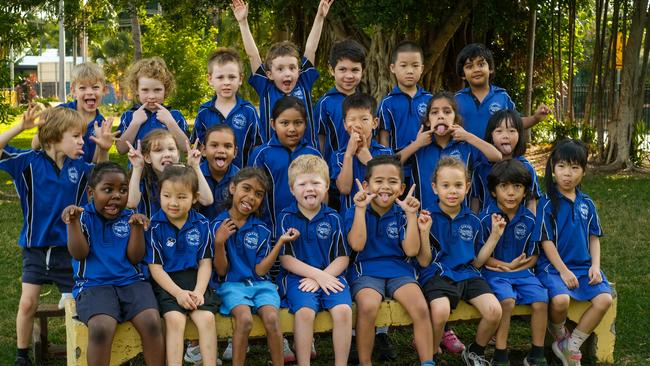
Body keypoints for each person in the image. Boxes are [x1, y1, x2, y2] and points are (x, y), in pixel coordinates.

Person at [0, 106, 113, 366]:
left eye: (82, 136)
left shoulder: (80, 167)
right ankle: (21, 356)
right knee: (27, 304)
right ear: (53, 138)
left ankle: (81, 354)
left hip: (69, 251)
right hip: (35, 249)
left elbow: (103, 178)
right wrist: (20, 128)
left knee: (77, 307)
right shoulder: (27, 162)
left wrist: (105, 148)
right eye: (75, 136)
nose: (81, 141)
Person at [62, 162, 165, 366]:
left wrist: (136, 229)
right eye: (108, 190)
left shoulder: (129, 217)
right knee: (101, 327)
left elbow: (135, 258)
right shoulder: (82, 217)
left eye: (123, 190)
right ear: (91, 193)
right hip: (94, 285)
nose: (117, 195)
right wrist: (72, 224)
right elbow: (79, 253)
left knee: (152, 322)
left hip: (131, 282)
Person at [346, 155, 435, 366]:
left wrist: (412, 215)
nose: (385, 187)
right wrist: (360, 209)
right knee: (368, 306)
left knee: (421, 308)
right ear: (366, 185)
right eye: (379, 181)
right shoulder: (355, 210)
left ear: (402, 188)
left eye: (393, 182)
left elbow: (412, 250)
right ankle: (365, 362)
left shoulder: (402, 213)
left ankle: (428, 362)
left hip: (399, 270)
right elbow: (357, 245)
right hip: (366, 270)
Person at [417, 156, 503, 366]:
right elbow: (424, 262)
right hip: (438, 274)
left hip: (468, 274)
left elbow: (477, 263)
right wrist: (423, 233)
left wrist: (494, 236)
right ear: (435, 188)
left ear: (467, 187)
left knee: (494, 311)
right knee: (440, 311)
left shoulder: (472, 220)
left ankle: (475, 351)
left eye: (458, 185)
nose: (452, 191)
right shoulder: (428, 216)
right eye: (445, 185)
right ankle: (432, 354)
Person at [534, 139, 613, 366]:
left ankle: (573, 344)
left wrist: (595, 266)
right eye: (562, 167)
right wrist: (564, 271)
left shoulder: (587, 203)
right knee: (560, 301)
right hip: (553, 268)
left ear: (584, 172)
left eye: (575, 167)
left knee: (604, 299)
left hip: (582, 266)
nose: (567, 174)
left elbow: (593, 237)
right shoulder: (547, 203)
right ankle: (560, 337)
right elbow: (546, 242)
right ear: (553, 169)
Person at [277, 155, 353, 366]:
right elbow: (286, 259)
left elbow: (343, 257)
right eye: (302, 184)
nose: (309, 189)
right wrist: (317, 276)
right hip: (299, 279)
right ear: (292, 189)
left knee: (344, 311)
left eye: (316, 183)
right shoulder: (286, 217)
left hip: (332, 275)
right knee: (304, 313)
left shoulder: (334, 217)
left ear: (327, 186)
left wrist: (323, 277)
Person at [212, 168, 290, 366]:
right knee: (245, 320)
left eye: (258, 194)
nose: (251, 197)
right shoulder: (217, 225)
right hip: (231, 285)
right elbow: (221, 271)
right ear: (232, 188)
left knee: (272, 318)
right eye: (246, 189)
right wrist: (219, 243)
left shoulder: (261, 229)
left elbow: (260, 271)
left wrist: (280, 243)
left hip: (260, 284)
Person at [146, 165, 219, 366]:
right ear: (159, 195)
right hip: (168, 285)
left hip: (196, 282)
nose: (173, 203)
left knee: (206, 320)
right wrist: (178, 293)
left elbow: (205, 262)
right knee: (175, 320)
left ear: (194, 198)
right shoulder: (154, 226)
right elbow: (155, 268)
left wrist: (199, 291)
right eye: (167, 196)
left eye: (181, 197)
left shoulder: (202, 223)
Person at [232, 0, 332, 145]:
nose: (287, 74)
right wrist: (243, 22)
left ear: (299, 71)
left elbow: (311, 49)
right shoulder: (265, 87)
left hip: (305, 156)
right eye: (280, 69)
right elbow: (253, 55)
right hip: (273, 155)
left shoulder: (303, 82)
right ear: (269, 74)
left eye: (292, 68)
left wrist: (320, 17)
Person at [479, 159, 548, 366]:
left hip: (523, 272)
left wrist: (518, 267)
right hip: (494, 272)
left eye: (517, 187)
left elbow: (534, 256)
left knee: (541, 299)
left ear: (525, 191)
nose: (511, 193)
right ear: (493, 191)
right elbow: (480, 258)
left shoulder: (529, 219)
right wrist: (505, 266)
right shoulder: (485, 219)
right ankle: (501, 353)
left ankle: (537, 352)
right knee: (507, 301)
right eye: (504, 187)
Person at [399, 91, 502, 211]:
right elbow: (393, 163)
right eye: (434, 112)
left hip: (460, 220)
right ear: (428, 121)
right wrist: (416, 145)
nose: (441, 116)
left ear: (455, 120)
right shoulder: (418, 146)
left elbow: (497, 156)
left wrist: (468, 136)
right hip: (423, 219)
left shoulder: (466, 146)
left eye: (447, 112)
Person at [249, 96, 322, 235]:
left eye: (298, 123)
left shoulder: (313, 154)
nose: (292, 129)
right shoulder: (262, 154)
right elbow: (252, 193)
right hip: (270, 231)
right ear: (273, 124)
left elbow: (322, 193)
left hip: (307, 233)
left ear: (306, 123)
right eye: (285, 123)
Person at [454, 43, 549, 140]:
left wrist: (535, 118)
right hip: (466, 154)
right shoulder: (457, 99)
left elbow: (515, 122)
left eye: (481, 64)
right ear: (463, 74)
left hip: (497, 154)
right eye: (469, 67)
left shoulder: (502, 96)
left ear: (490, 68)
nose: (476, 70)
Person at [191, 48, 261, 168]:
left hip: (242, 178)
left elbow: (259, 146)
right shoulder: (204, 111)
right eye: (220, 77)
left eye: (232, 77)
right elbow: (197, 145)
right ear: (210, 79)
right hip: (209, 180)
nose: (226, 82)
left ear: (240, 79)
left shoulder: (248, 111)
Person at [377, 41, 432, 184]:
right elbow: (384, 141)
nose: (409, 71)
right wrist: (388, 165)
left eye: (415, 66)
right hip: (399, 170)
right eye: (403, 65)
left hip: (427, 167)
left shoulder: (430, 100)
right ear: (393, 68)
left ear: (422, 68)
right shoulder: (387, 103)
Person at [126, 129, 213, 218]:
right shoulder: (143, 178)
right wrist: (137, 168)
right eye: (158, 150)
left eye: (171, 149)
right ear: (147, 157)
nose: (167, 154)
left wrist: (195, 167)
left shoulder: (185, 176)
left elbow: (207, 200)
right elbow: (131, 203)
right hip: (151, 230)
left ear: (178, 155)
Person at [32, 62, 109, 163]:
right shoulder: (60, 113)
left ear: (104, 90)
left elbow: (94, 163)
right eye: (82, 88)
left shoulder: (101, 123)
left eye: (95, 87)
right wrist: (46, 127)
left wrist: (102, 147)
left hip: (82, 176)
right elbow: (35, 146)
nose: (90, 92)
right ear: (73, 91)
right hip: (56, 173)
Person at [330, 93, 393, 213]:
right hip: (350, 218)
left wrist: (369, 161)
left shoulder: (386, 153)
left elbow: (389, 184)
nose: (358, 125)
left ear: (375, 123)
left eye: (364, 119)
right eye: (352, 119)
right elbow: (344, 188)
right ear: (344, 124)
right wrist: (349, 155)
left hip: (382, 217)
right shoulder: (339, 156)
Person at [471, 109, 542, 214]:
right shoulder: (481, 167)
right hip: (487, 227)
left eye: (512, 131)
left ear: (520, 135)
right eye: (499, 131)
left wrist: (531, 225)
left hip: (519, 227)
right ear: (491, 136)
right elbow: (475, 199)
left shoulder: (526, 167)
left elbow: (531, 201)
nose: (506, 136)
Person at [116, 57, 189, 154]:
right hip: (138, 168)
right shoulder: (129, 116)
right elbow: (121, 149)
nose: (151, 96)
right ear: (136, 90)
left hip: (169, 169)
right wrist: (135, 123)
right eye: (145, 90)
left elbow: (186, 148)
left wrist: (170, 122)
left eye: (157, 90)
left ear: (165, 90)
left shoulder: (175, 115)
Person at [315, 39, 366, 162]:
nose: (349, 76)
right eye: (342, 70)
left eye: (355, 70)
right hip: (334, 171)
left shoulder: (366, 102)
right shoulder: (325, 103)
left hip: (363, 168)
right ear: (332, 70)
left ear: (363, 71)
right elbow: (319, 139)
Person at [198, 125, 240, 221]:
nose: (221, 151)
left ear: (235, 152)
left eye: (227, 146)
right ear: (203, 150)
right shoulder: (194, 175)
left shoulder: (240, 179)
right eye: (214, 145)